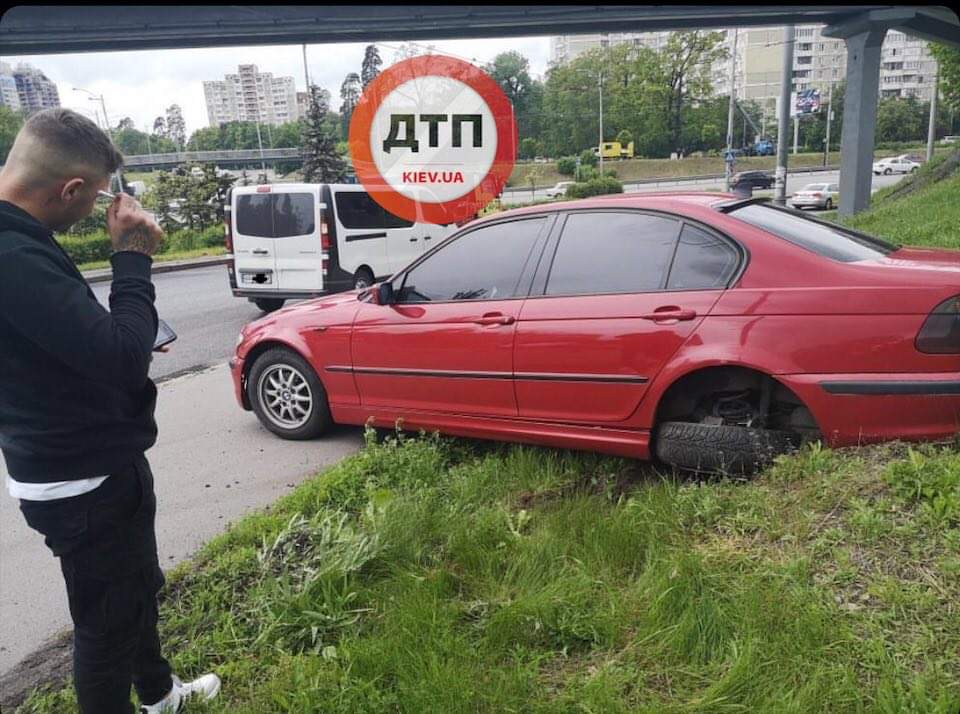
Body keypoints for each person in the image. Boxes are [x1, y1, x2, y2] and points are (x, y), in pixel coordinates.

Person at [0, 108, 220, 713]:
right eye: (94, 197)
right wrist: (132, 255)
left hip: (86, 461)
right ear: (68, 190)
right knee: (105, 627)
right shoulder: (12, 257)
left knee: (133, 593)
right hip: (82, 482)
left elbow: (67, 343)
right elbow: (125, 358)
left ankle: (158, 692)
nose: (96, 208)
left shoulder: (20, 240)